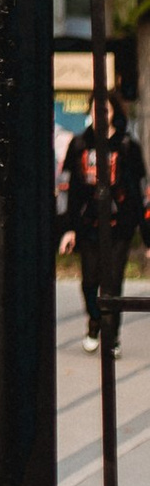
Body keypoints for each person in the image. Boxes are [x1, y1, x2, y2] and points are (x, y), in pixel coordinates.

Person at [59, 81, 147, 349]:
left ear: (113, 113)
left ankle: (112, 337)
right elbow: (66, 188)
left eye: (105, 110)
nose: (101, 115)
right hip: (88, 226)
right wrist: (67, 228)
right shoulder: (79, 145)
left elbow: (141, 191)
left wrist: (147, 236)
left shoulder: (127, 146)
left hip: (120, 227)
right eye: (96, 110)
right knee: (89, 283)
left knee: (113, 283)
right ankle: (94, 322)